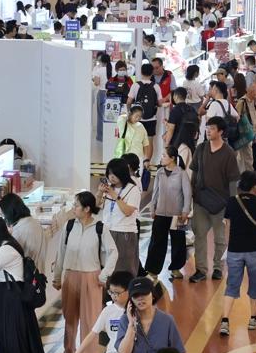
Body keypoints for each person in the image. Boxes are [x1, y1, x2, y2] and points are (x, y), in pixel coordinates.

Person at [53, 191, 116, 353]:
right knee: (69, 317)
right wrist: (57, 277)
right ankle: (68, 351)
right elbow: (61, 253)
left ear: (87, 209)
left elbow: (113, 252)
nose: (73, 208)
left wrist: (104, 275)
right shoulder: (69, 226)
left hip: (91, 278)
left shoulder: (100, 228)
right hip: (70, 277)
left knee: (90, 320)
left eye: (76, 205)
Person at [0, 216, 50, 353]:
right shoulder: (4, 245)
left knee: (14, 340)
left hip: (13, 298)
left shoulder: (7, 249)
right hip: (7, 295)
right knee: (7, 338)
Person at [189, 116, 240, 283]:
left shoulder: (229, 153)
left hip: (221, 203)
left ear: (221, 132)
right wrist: (191, 195)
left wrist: (232, 206)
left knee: (220, 238)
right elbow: (194, 173)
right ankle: (201, 269)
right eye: (207, 128)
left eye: (211, 128)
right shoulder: (201, 148)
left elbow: (233, 182)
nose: (208, 131)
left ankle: (218, 267)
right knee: (199, 235)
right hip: (200, 200)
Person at [220, 170, 256, 336]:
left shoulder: (232, 201)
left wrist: (229, 245)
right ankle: (253, 319)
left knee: (232, 285)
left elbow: (227, 224)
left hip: (235, 249)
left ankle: (225, 321)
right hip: (255, 248)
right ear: (255, 186)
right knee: (255, 283)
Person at [61, 271, 134, 353]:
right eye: (111, 292)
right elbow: (92, 334)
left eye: (117, 293)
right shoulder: (108, 311)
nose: (113, 296)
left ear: (129, 291)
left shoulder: (138, 310)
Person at [116, 277, 185, 353]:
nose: (140, 298)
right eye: (136, 295)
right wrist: (131, 325)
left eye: (144, 293)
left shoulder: (167, 320)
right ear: (131, 300)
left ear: (152, 295)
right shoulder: (125, 320)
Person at [145, 146, 191, 281]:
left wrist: (185, 210)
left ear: (172, 158)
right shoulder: (160, 172)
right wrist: (152, 208)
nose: (162, 158)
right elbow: (155, 192)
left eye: (164, 156)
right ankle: (153, 270)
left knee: (178, 242)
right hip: (160, 213)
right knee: (157, 242)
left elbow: (187, 194)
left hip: (177, 215)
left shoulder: (182, 173)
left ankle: (176, 268)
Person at [99, 158, 141, 277]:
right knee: (107, 267)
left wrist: (114, 195)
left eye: (114, 174)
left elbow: (127, 211)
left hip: (124, 232)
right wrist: (99, 192)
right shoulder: (109, 188)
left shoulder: (133, 190)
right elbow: (97, 206)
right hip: (107, 230)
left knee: (123, 268)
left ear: (122, 173)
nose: (111, 177)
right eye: (109, 173)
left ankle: (124, 289)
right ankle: (108, 288)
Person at [0, 193, 48, 274]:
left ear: (9, 213)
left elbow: (10, 259)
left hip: (27, 277)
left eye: (3, 214)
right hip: (39, 274)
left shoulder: (19, 231)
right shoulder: (34, 222)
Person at [127, 63, 162, 146]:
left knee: (137, 141)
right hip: (151, 118)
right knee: (149, 142)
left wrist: (130, 112)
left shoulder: (135, 85)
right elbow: (160, 103)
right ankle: (148, 156)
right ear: (152, 72)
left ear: (141, 72)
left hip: (137, 118)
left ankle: (139, 155)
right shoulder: (156, 86)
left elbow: (129, 102)